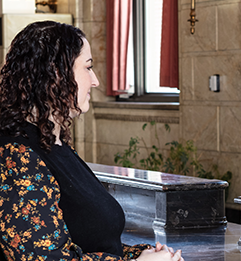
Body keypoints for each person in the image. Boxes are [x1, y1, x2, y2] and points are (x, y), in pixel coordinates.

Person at [0, 21, 183, 260]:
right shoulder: (16, 155)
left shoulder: (54, 144)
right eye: (88, 68)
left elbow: (89, 241)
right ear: (55, 74)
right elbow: (43, 257)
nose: (95, 81)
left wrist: (138, 254)